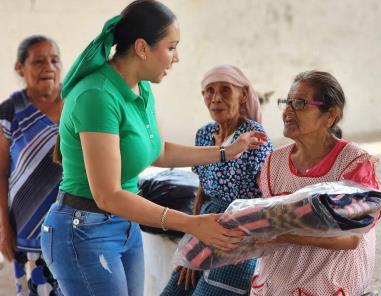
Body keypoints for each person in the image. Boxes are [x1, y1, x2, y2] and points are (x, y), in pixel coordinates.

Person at [40, 1, 266, 296]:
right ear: (142, 48)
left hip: (124, 224)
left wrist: (227, 151)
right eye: (171, 47)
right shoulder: (97, 95)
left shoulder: (141, 88)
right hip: (83, 230)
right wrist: (192, 223)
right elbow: (107, 194)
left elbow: (157, 152)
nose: (177, 58)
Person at [250, 71, 381, 296]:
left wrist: (284, 235)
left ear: (330, 115)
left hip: (330, 285)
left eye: (300, 103)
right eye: (287, 102)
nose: (288, 111)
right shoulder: (275, 161)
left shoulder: (353, 162)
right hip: (275, 285)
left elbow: (350, 238)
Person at [161, 65, 273, 295]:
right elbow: (202, 190)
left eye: (225, 90)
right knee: (177, 288)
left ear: (243, 94)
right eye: (209, 91)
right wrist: (192, 244)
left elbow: (267, 196)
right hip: (205, 225)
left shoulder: (254, 136)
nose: (216, 98)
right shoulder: (204, 134)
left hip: (237, 234)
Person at [0, 35, 63, 295]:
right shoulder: (11, 110)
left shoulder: (77, 104)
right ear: (20, 68)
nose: (48, 67)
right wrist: (4, 228)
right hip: (26, 229)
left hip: (73, 227)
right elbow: (0, 173)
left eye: (54, 60)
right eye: (38, 61)